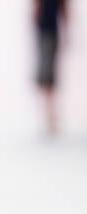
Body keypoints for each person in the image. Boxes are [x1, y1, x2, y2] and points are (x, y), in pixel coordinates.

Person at [33, 0, 70, 133]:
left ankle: (51, 117)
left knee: (49, 77)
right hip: (45, 33)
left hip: (50, 33)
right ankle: (49, 117)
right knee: (46, 77)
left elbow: (64, 9)